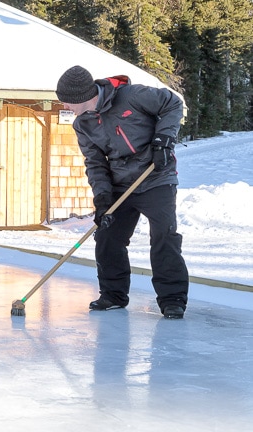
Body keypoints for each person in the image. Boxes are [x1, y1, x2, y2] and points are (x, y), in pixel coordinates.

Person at [55, 65, 189, 319]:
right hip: (120, 184)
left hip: (156, 176)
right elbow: (95, 163)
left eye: (66, 102)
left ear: (81, 97)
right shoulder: (82, 123)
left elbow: (173, 103)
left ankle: (172, 300)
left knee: (164, 236)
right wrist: (103, 199)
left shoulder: (132, 96)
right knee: (107, 236)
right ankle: (113, 296)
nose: (65, 107)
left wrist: (164, 140)